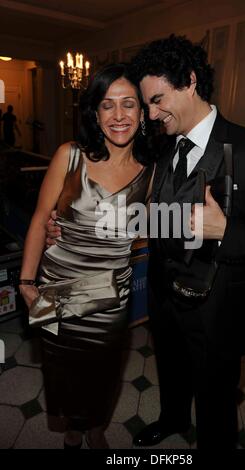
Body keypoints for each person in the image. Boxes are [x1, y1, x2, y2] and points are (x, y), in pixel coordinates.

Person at [129, 35, 245, 449]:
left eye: (157, 100)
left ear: (189, 81)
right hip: (164, 297)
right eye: (147, 104)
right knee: (170, 369)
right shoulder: (163, 147)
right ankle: (171, 418)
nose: (151, 114)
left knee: (215, 396)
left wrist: (227, 231)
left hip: (217, 305)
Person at [19, 63, 154, 449]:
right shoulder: (70, 155)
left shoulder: (152, 170)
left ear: (142, 113)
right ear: (95, 113)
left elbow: (154, 229)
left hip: (110, 296)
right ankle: (74, 428)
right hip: (58, 288)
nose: (118, 115)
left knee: (105, 371)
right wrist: (27, 281)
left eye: (128, 104)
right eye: (107, 105)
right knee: (60, 370)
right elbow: (39, 218)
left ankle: (95, 425)